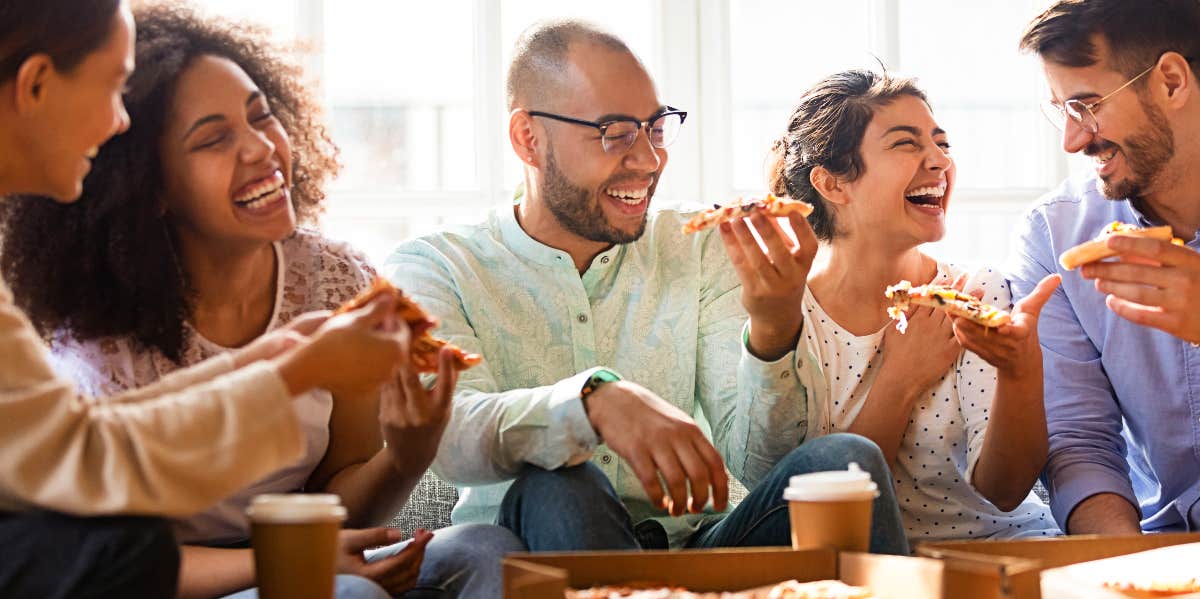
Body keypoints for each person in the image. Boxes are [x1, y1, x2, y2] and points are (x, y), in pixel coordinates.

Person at [0, 4, 523, 597]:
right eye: (112, 88)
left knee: (485, 552)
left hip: (275, 555)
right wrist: (297, 367)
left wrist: (403, 453)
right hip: (164, 575)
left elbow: (84, 442)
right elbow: (89, 473)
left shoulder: (328, 278)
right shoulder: (81, 326)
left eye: (261, 116)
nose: (119, 124)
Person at [384, 19, 908, 554]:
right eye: (614, 133)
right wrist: (591, 401)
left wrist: (774, 328)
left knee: (846, 460)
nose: (649, 160)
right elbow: (445, 438)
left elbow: (762, 464)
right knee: (561, 481)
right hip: (537, 546)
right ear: (528, 138)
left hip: (700, 544)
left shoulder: (699, 246)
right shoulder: (433, 266)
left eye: (655, 129)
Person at [733, 68, 1062, 543]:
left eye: (942, 144)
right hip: (863, 566)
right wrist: (901, 379)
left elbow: (1006, 491)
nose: (939, 161)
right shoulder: (788, 317)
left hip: (1003, 549)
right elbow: (810, 496)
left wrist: (1020, 369)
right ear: (832, 184)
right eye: (907, 144)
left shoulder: (973, 294)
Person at [1010, 0, 1200, 535]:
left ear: (1170, 80)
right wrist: (1117, 571)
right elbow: (1078, 439)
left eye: (1087, 105)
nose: (1073, 140)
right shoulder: (1055, 236)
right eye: (1063, 111)